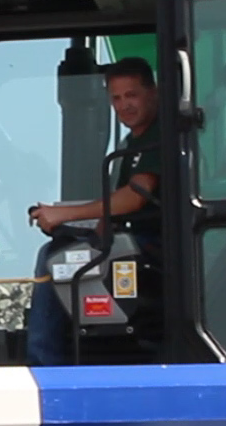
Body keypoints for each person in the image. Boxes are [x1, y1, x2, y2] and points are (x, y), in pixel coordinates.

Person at [22, 56, 162, 366]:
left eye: (132, 95)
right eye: (116, 98)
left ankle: (44, 362)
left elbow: (134, 198)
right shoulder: (132, 143)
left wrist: (64, 216)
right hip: (132, 241)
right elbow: (116, 211)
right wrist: (83, 230)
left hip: (153, 247)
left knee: (52, 258)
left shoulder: (159, 136)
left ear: (152, 93)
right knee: (63, 250)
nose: (124, 105)